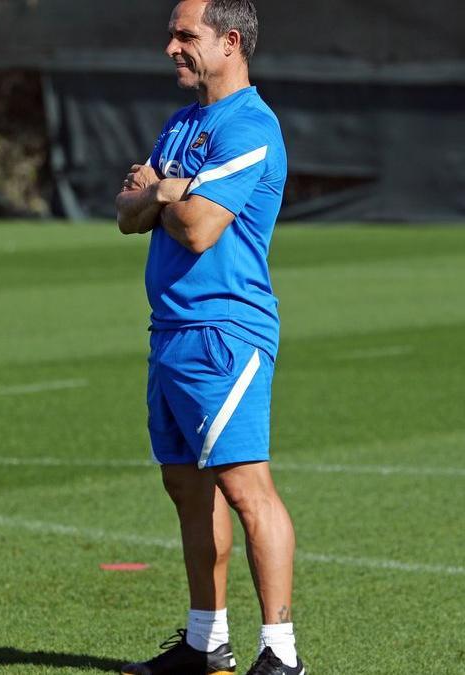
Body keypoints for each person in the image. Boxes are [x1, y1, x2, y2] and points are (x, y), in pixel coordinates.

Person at [114, 1, 303, 674]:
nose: (170, 47)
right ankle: (205, 640)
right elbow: (128, 214)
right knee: (188, 487)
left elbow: (198, 227)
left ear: (229, 42)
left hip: (225, 332)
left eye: (184, 35)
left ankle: (280, 653)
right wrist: (170, 191)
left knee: (247, 485)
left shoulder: (250, 125)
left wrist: (159, 191)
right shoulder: (182, 123)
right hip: (170, 331)